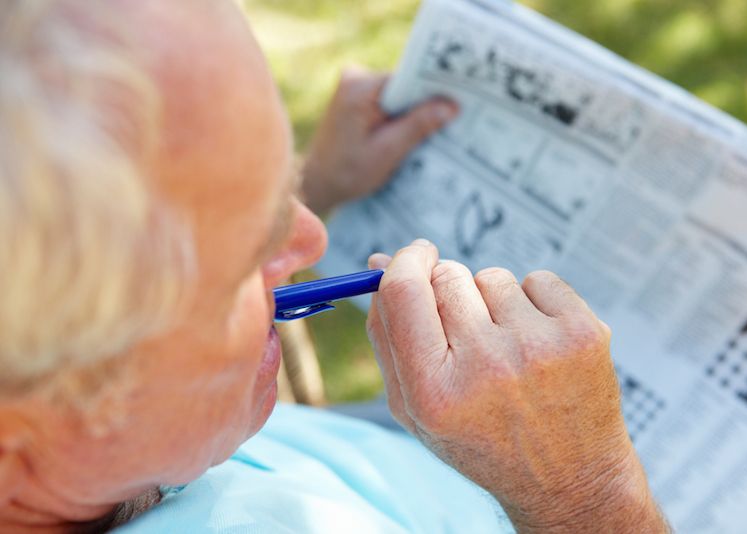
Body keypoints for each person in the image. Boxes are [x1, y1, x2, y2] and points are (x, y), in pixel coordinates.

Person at [0, 0, 670, 532]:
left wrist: (307, 182)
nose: (310, 240)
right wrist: (587, 494)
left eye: (280, 191)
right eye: (242, 258)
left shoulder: (111, 450)